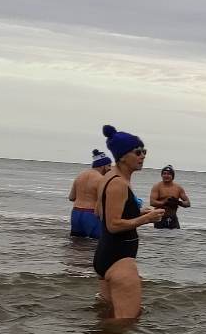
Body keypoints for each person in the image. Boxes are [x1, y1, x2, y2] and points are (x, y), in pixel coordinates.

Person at [93, 125, 168, 321]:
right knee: (126, 323)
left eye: (144, 151)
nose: (143, 156)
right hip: (119, 260)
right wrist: (146, 219)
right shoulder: (118, 183)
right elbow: (113, 225)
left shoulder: (108, 178)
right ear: (122, 156)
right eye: (137, 152)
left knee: (107, 319)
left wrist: (136, 212)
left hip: (105, 255)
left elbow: (99, 212)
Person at [68, 149, 111, 239]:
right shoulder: (102, 179)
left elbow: (71, 197)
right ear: (102, 166)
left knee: (76, 243)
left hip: (76, 213)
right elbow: (102, 202)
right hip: (92, 214)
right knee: (96, 243)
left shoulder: (80, 176)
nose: (110, 168)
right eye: (109, 165)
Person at [148, 165, 190, 229]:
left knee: (176, 235)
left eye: (169, 174)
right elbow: (152, 202)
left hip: (173, 218)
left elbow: (188, 203)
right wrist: (165, 203)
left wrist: (178, 202)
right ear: (161, 175)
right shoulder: (157, 186)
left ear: (172, 176)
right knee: (159, 235)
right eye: (164, 173)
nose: (166, 176)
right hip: (159, 217)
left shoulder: (178, 188)